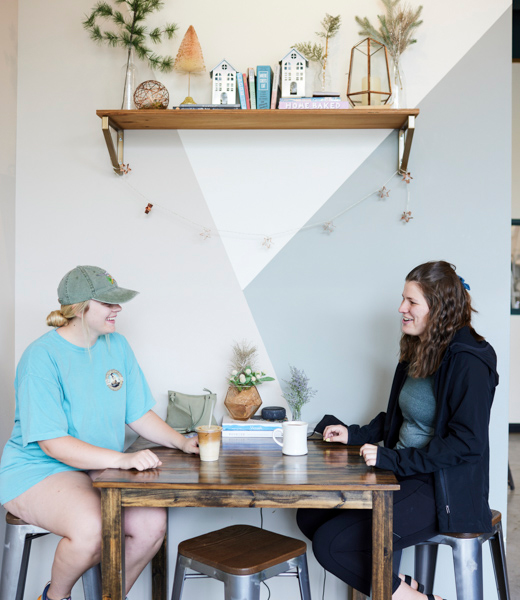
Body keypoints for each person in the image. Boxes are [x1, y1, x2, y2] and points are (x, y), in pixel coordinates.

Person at [297, 261, 498, 600]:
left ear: (440, 307)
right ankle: (405, 588)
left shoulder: (469, 361)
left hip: (441, 488)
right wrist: (355, 434)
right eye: (403, 299)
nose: (401, 308)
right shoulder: (421, 347)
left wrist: (393, 459)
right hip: (403, 475)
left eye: (412, 302)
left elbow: (467, 444)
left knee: (331, 545)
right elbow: (400, 417)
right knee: (309, 515)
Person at [0, 265, 199, 600]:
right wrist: (124, 459)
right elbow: (53, 444)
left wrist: (182, 442)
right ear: (80, 308)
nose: (117, 309)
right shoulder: (41, 357)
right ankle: (55, 597)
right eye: (108, 303)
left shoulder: (116, 346)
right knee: (93, 530)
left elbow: (137, 413)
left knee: (151, 526)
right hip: (39, 469)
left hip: (100, 467)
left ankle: (107, 597)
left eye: (117, 302)